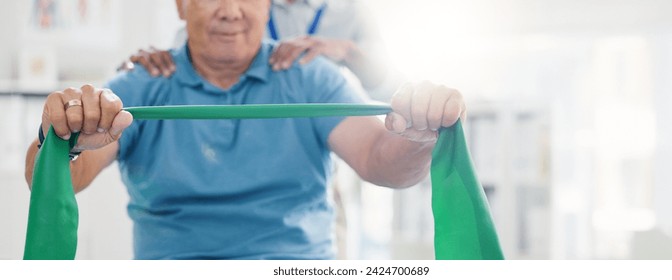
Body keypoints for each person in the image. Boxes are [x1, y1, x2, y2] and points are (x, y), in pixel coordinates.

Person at [25, 0, 465, 260]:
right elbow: (51, 177)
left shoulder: (312, 78)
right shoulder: (137, 85)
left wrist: (419, 138)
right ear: (180, 4)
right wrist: (60, 139)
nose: (232, 12)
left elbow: (380, 162)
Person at [124, 0, 396, 101]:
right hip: (252, 145)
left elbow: (387, 88)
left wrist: (349, 52)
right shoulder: (240, 7)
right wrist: (153, 63)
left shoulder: (350, 11)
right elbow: (186, 61)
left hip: (321, 145)